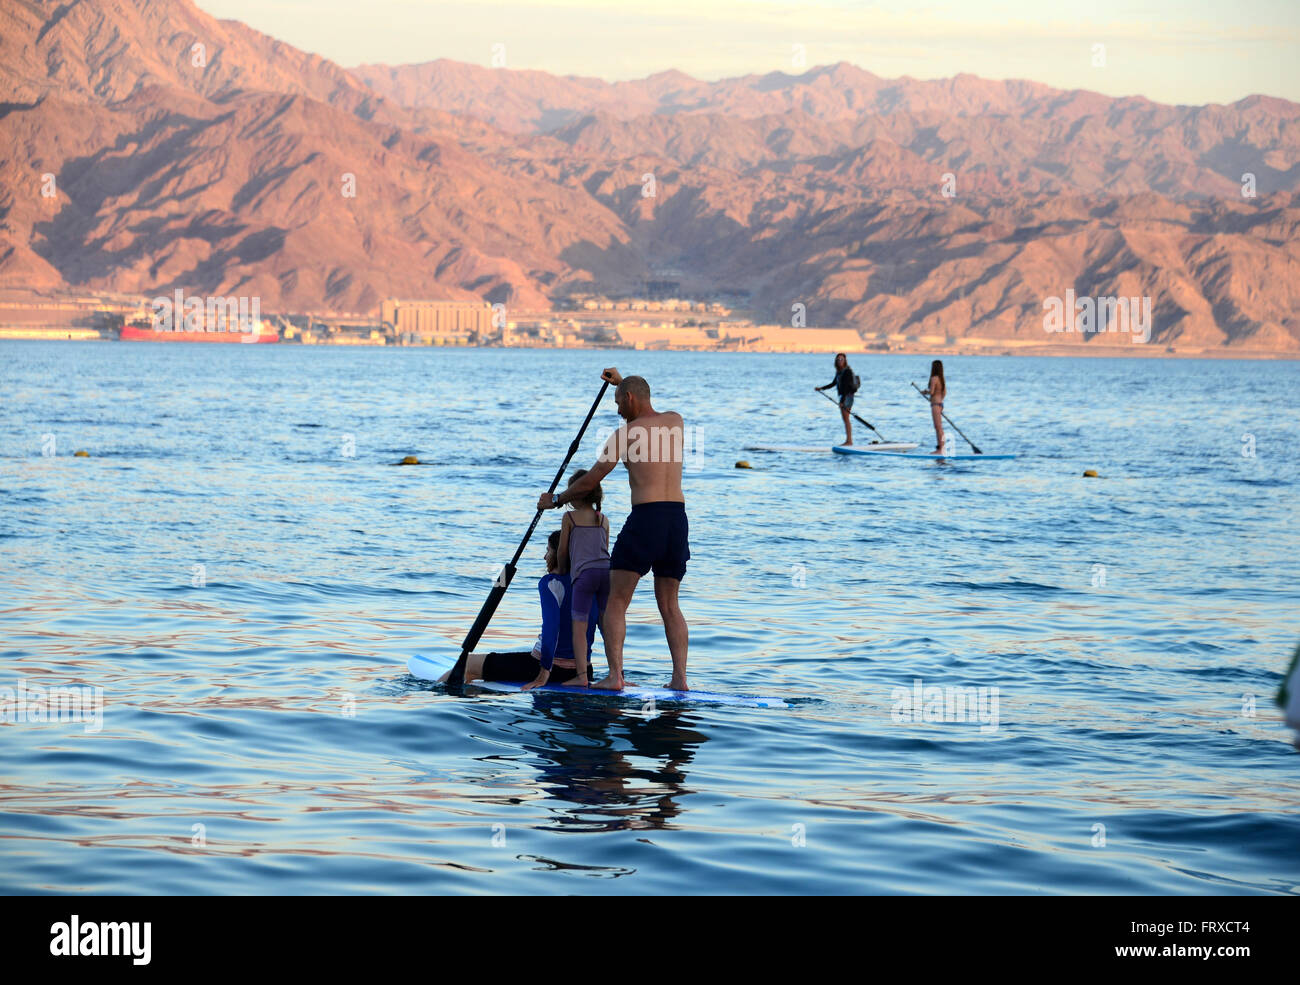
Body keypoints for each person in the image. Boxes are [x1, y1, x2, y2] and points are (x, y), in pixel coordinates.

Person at [537, 368, 690, 691]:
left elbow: (592, 480)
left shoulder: (624, 435)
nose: (618, 411)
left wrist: (557, 500)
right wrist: (622, 384)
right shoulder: (675, 421)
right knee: (669, 605)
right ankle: (680, 680)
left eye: (619, 404)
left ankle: (615, 677)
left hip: (646, 517)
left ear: (630, 400)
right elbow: (641, 397)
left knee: (616, 601)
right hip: (677, 518)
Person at [440, 530, 599, 689]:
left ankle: (436, 698)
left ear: (559, 555)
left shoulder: (550, 583)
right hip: (584, 671)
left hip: (544, 669)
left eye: (548, 551)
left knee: (468, 665)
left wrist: (544, 673)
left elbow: (552, 627)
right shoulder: (591, 584)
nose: (545, 557)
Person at [557, 468, 610, 688]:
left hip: (584, 575)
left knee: (579, 627)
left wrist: (562, 573)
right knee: (608, 627)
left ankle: (581, 676)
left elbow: (562, 550)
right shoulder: (603, 519)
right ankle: (617, 673)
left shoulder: (569, 517)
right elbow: (604, 549)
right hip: (608, 573)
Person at [814, 352, 859, 445]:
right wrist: (821, 388)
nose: (840, 361)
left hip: (847, 397)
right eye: (838, 359)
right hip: (843, 397)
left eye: (841, 359)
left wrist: (842, 401)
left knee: (846, 419)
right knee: (845, 419)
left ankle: (849, 441)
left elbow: (846, 387)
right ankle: (848, 440)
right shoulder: (839, 372)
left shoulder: (847, 371)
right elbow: (833, 383)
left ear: (845, 361)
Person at [921, 359, 946, 453]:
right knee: (939, 427)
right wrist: (939, 399)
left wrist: (925, 392)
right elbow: (944, 393)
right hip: (940, 404)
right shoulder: (941, 379)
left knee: (938, 427)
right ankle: (941, 447)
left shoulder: (934, 378)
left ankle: (941, 449)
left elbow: (931, 392)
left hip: (935, 405)